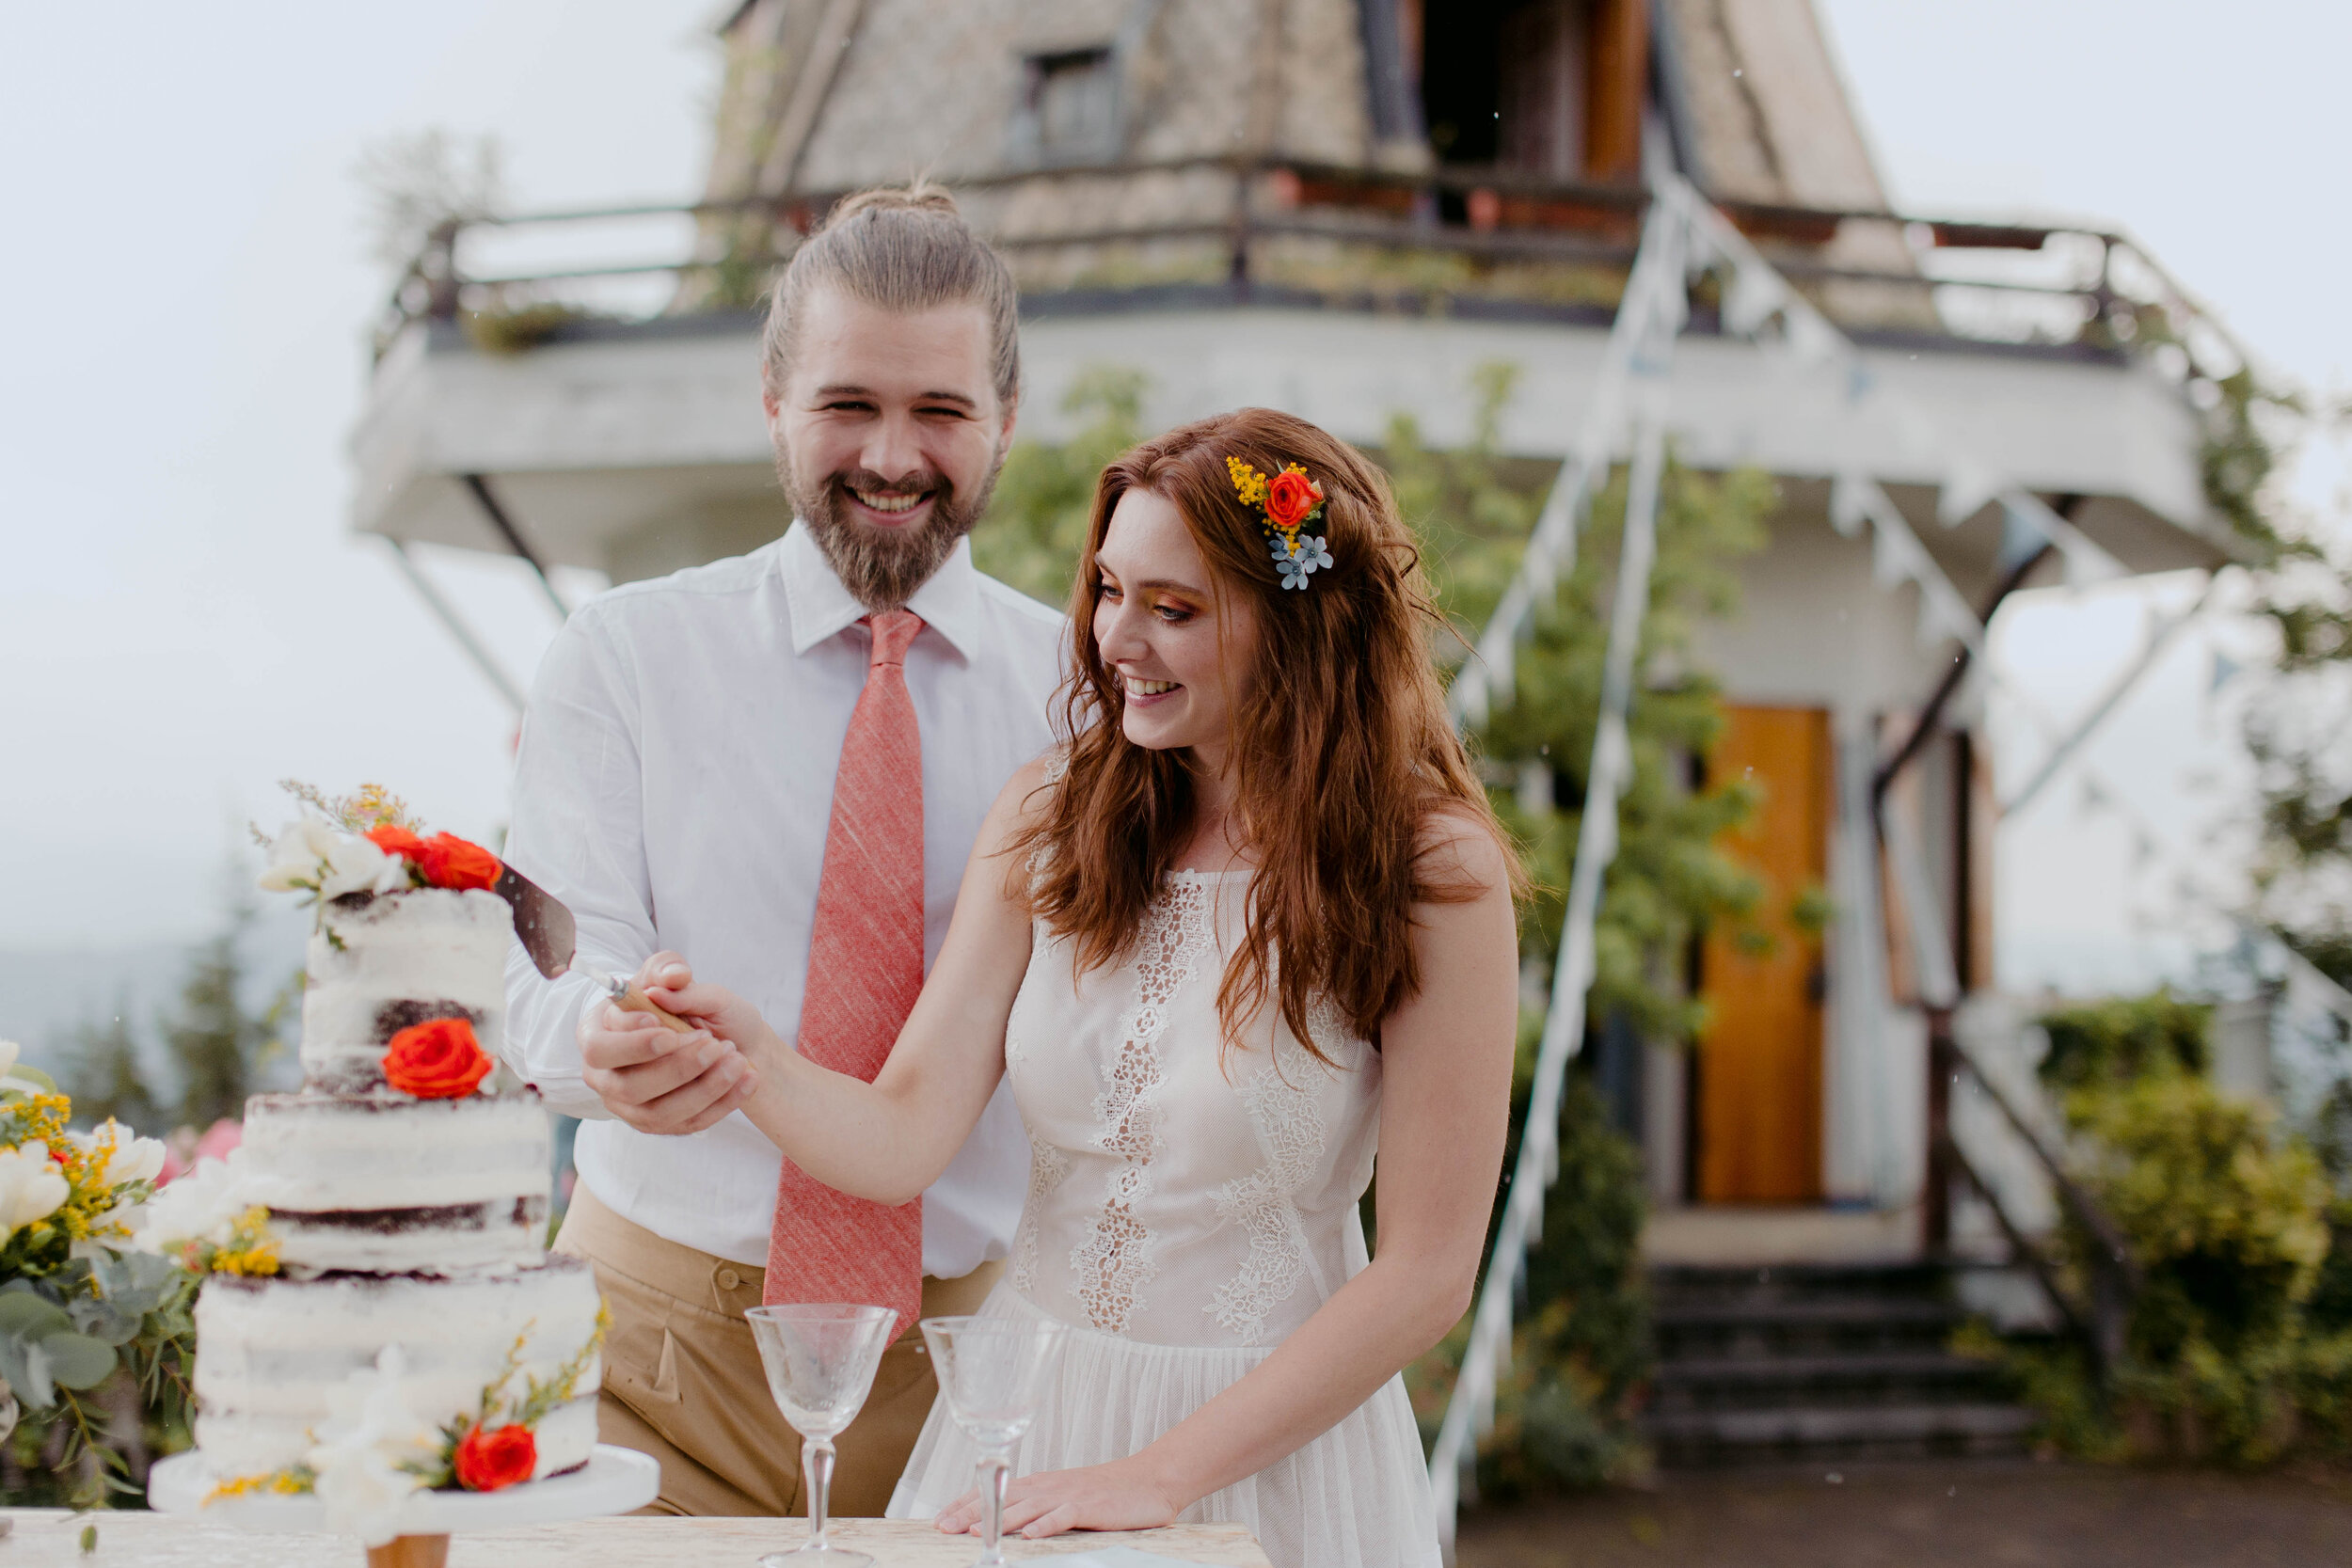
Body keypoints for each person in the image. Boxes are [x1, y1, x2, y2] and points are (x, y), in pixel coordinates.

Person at [647, 407, 1523, 1568]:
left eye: (1175, 609)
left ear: (1302, 623)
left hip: (1265, 1451)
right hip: (1018, 1421)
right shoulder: (1050, 818)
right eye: (1109, 589)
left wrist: (1154, 1478)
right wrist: (744, 1051)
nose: (1117, 637)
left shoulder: (1429, 870)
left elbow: (1426, 1273)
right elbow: (904, 1132)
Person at [498, 184, 1062, 1517]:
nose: (891, 454)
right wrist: (607, 1043)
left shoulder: (1087, 693)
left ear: (1005, 421)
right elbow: (542, 980)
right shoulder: (622, 655)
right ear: (771, 402)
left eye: (940, 411)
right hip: (646, 1366)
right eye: (846, 404)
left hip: (971, 1393)